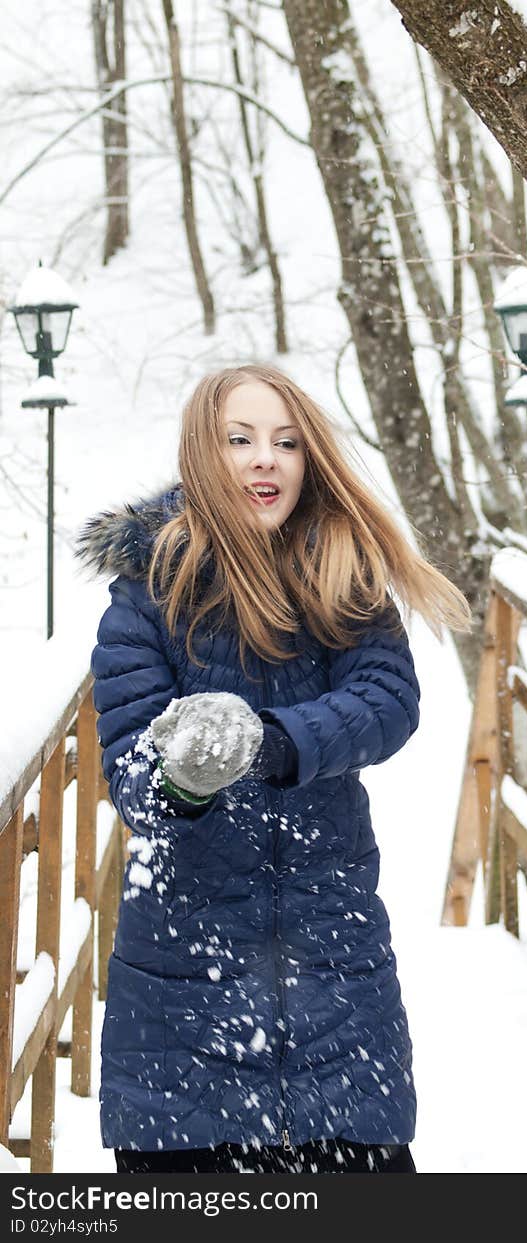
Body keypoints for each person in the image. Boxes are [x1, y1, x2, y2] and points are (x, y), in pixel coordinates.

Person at [76, 362, 472, 1174]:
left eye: (287, 442)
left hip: (336, 986)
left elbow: (388, 699)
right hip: (186, 1004)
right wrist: (184, 772)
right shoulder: (148, 595)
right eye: (241, 440)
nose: (267, 459)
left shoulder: (340, 570)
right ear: (202, 457)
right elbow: (133, 778)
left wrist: (270, 740)